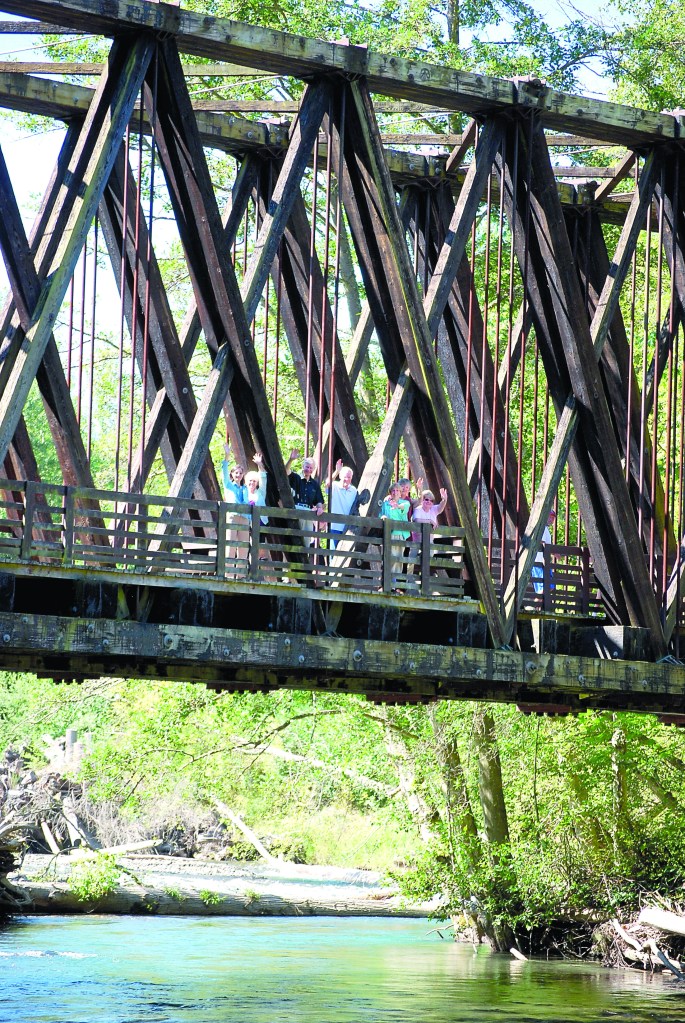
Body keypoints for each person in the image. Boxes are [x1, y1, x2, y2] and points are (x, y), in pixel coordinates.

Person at [285, 449, 324, 546]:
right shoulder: (296, 478)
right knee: (294, 538)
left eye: (311, 468)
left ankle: (304, 554)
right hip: (297, 509)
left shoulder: (314, 484)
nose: (309, 470)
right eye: (307, 467)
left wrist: (320, 508)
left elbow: (318, 500)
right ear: (303, 466)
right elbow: (285, 471)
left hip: (308, 512)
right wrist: (291, 459)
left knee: (306, 541)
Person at [380, 482, 411, 591]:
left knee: (398, 559)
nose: (395, 492)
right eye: (393, 490)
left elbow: (404, 508)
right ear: (390, 493)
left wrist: (397, 506)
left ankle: (394, 584)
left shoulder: (405, 502)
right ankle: (387, 584)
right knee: (389, 558)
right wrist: (383, 517)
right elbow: (381, 514)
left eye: (397, 490)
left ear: (400, 492)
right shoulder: (385, 504)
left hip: (400, 534)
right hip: (389, 534)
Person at [329, 460, 359, 549]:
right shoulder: (335, 486)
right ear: (340, 476)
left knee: (345, 554)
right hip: (335, 527)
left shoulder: (354, 491)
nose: (347, 479)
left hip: (348, 529)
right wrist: (337, 471)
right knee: (333, 552)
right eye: (345, 477)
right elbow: (327, 484)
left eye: (349, 477)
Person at [532, 508, 556, 598]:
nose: (551, 519)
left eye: (553, 518)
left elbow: (546, 545)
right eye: (550, 517)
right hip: (538, 561)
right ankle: (535, 605)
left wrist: (553, 553)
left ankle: (538, 605)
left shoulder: (546, 529)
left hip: (544, 562)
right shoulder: (541, 528)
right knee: (542, 589)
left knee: (550, 586)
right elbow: (541, 542)